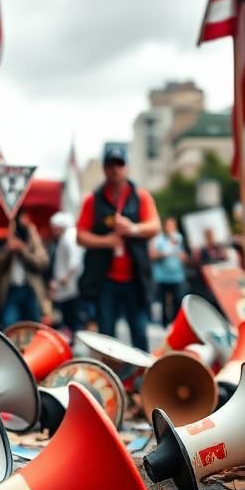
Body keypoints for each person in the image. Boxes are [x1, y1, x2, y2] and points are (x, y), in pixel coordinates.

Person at [77, 144, 161, 352]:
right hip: (105, 280)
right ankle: (110, 379)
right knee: (106, 334)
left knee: (140, 331)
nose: (115, 169)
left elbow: (154, 226)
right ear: (105, 168)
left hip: (135, 279)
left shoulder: (141, 197)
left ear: (127, 167)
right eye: (110, 164)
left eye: (120, 164)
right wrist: (106, 241)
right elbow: (80, 235)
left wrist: (132, 229)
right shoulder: (92, 200)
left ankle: (142, 379)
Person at [0, 209, 49, 328]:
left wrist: (23, 250)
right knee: (10, 327)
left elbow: (42, 262)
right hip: (10, 291)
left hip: (30, 290)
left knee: (33, 327)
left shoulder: (32, 238)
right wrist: (8, 249)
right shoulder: (2, 240)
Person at [48, 211, 83, 336]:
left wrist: (63, 279)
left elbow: (74, 262)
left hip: (69, 288)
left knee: (72, 320)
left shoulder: (68, 237)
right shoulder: (67, 237)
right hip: (66, 288)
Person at [151, 216, 187, 324]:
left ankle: (176, 322)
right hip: (162, 276)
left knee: (178, 299)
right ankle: (164, 322)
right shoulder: (159, 239)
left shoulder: (179, 238)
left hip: (177, 275)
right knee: (163, 301)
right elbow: (153, 255)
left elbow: (182, 254)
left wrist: (183, 256)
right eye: (169, 225)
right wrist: (166, 250)